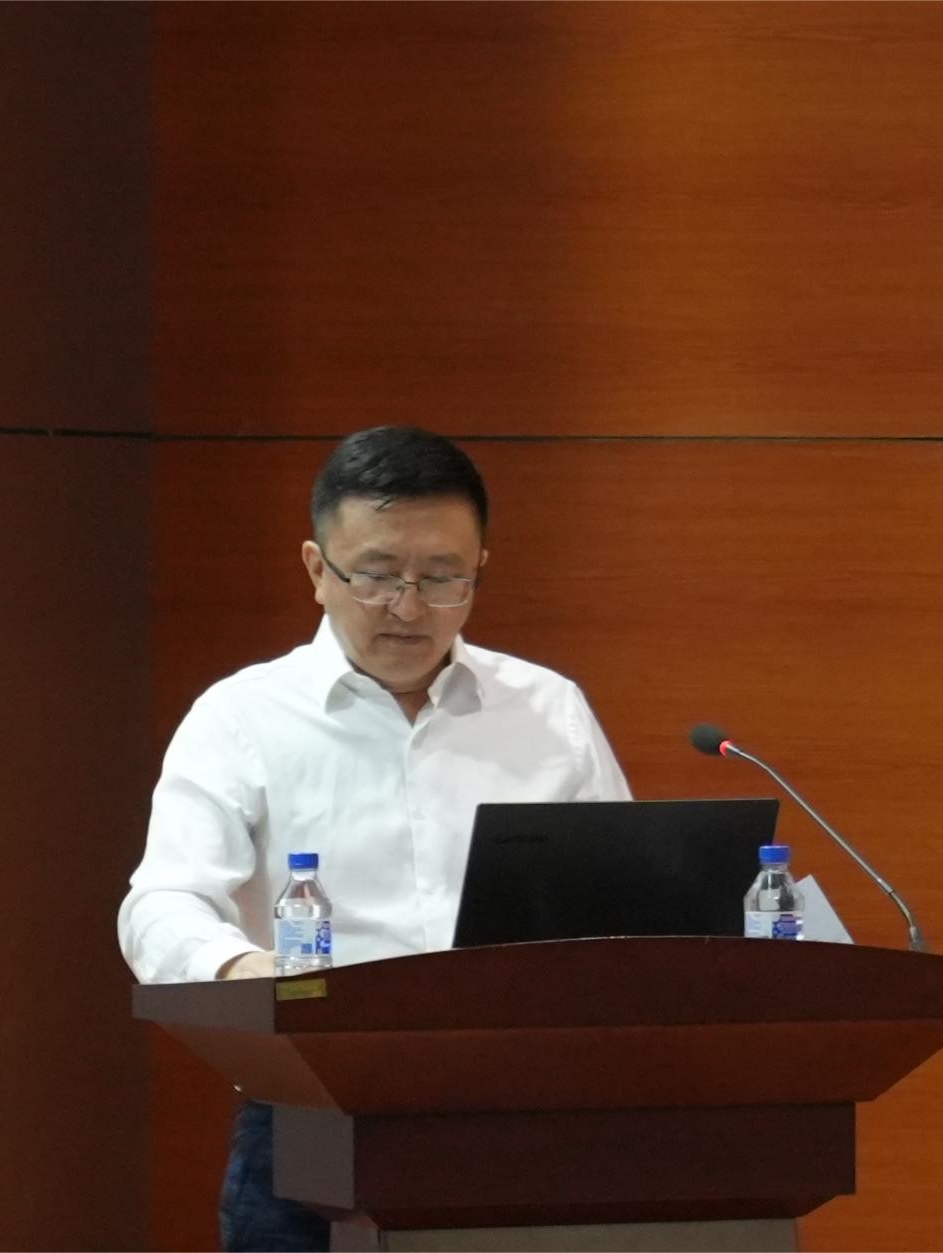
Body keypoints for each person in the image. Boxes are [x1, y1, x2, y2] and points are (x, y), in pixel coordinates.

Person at [117, 425, 631, 1253]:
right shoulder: (241, 716)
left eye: (443, 577)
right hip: (310, 1117)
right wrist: (244, 971)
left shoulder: (548, 709)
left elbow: (624, 904)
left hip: (520, 1115)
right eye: (378, 575)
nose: (409, 607)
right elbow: (163, 900)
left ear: (480, 568)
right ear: (317, 569)